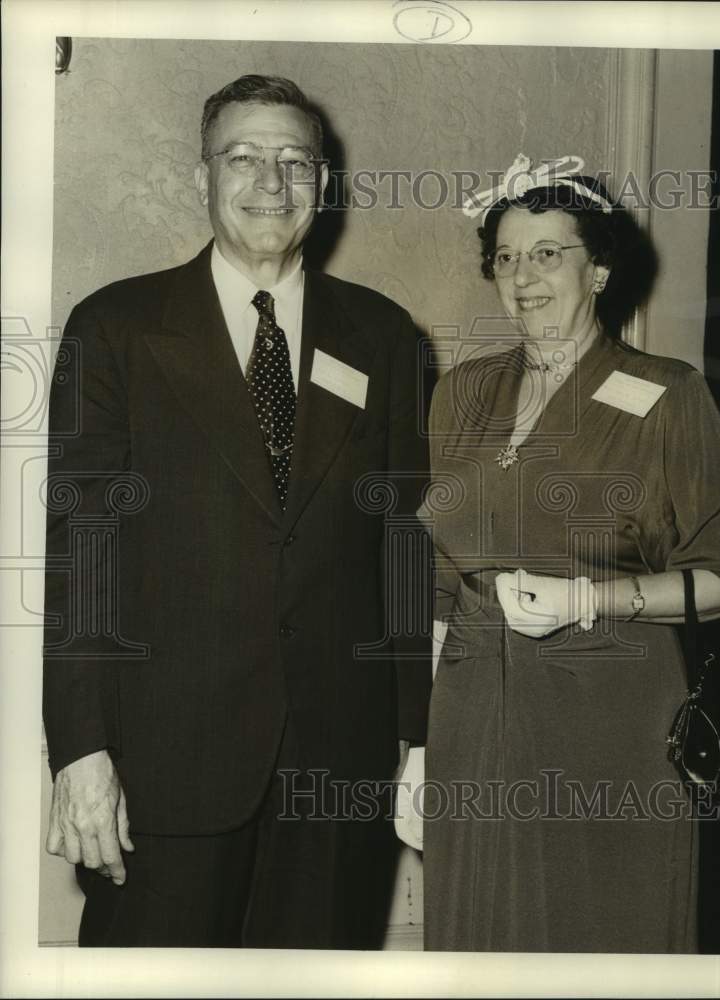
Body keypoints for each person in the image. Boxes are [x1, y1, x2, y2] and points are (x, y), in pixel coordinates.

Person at [43, 74, 432, 949]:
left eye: (295, 160)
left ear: (323, 186)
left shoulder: (385, 336)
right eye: (245, 157)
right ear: (201, 178)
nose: (271, 182)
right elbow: (82, 551)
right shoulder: (117, 327)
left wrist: (417, 739)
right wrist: (80, 749)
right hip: (166, 759)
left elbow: (402, 544)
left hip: (339, 759)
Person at [421, 154, 720, 952]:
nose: (523, 276)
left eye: (548, 253)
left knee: (599, 930)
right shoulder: (462, 391)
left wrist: (591, 599)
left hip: (612, 716)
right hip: (471, 711)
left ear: (599, 270)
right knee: (476, 936)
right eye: (506, 256)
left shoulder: (669, 394)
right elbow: (436, 573)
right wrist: (418, 745)